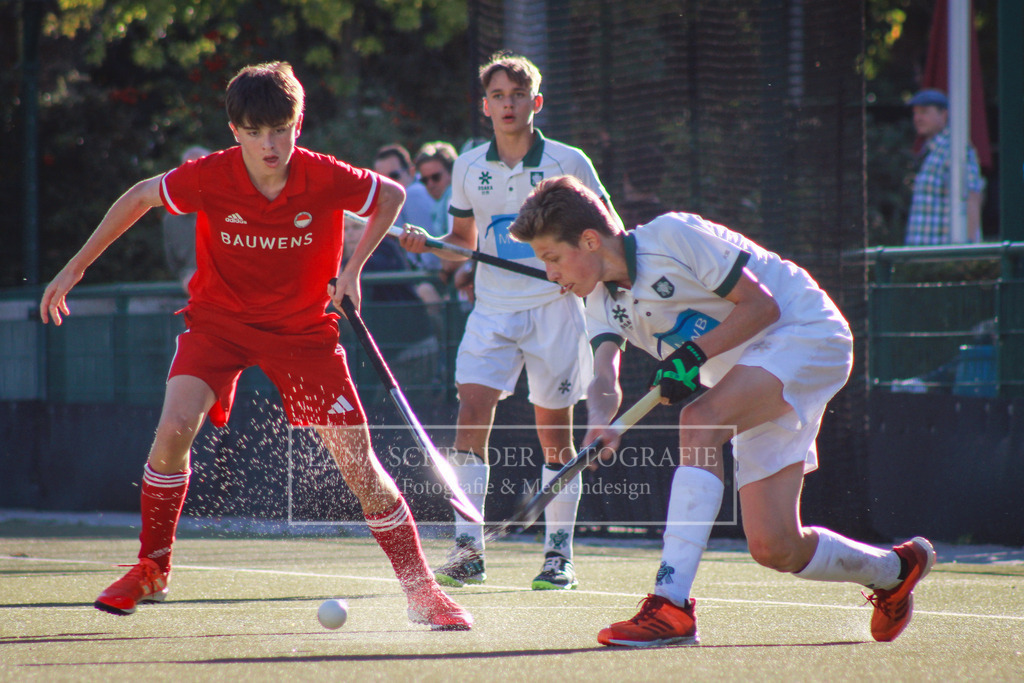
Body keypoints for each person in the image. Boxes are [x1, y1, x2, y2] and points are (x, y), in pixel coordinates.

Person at [38, 61, 472, 631]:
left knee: (359, 465)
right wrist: (74, 268)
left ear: (298, 124)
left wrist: (353, 270)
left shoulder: (324, 174)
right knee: (174, 427)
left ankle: (421, 591)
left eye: (281, 130)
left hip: (303, 332)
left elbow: (389, 195)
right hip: (218, 325)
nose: (270, 145)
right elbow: (141, 196)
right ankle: (153, 568)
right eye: (254, 131)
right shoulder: (209, 175)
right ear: (234, 131)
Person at [509, 174, 935, 647]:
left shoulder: (672, 236)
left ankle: (670, 605)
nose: (550, 273)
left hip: (805, 332)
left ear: (590, 240)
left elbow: (761, 307)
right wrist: (599, 423)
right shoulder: (598, 301)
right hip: (747, 375)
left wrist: (692, 355)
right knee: (775, 546)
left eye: (552, 257)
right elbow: (605, 376)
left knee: (699, 420)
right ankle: (895, 570)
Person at [399, 51, 622, 591]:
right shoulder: (468, 166)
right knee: (471, 413)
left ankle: (558, 556)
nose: (508, 105)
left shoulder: (570, 162)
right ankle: (468, 551)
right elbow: (461, 243)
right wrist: (428, 245)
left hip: (555, 310)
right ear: (485, 106)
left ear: (535, 102)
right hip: (492, 312)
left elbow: (610, 230)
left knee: (554, 435)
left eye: (518, 95)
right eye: (498, 96)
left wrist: (578, 269)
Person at [905, 88, 985, 245]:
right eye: (915, 113)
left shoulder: (956, 149)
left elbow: (972, 196)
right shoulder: (930, 151)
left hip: (944, 253)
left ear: (944, 114)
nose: (917, 118)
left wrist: (968, 246)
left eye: (924, 112)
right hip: (923, 253)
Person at [161, 145, 211, 291]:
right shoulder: (172, 219)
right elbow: (175, 266)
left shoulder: (236, 209)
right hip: (193, 292)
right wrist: (187, 275)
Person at [374, 143, 435, 233]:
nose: (388, 184)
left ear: (411, 172)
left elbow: (426, 238)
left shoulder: (413, 194)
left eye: (394, 176)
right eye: (381, 180)